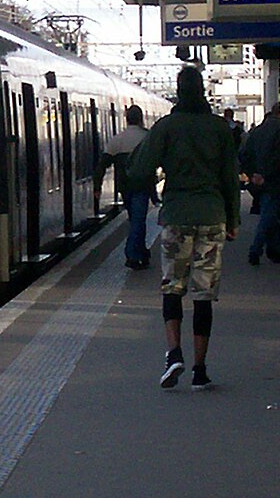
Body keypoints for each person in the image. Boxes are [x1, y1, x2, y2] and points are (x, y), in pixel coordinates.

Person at [128, 66, 240, 391]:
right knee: (204, 294)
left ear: (178, 90)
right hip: (212, 216)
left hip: (177, 216)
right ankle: (200, 369)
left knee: (172, 286)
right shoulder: (218, 128)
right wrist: (233, 221)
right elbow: (231, 179)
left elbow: (141, 168)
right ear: (203, 89)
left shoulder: (167, 127)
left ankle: (173, 353)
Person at [93, 105, 152, 269]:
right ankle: (132, 254)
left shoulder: (117, 140)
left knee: (136, 220)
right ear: (141, 118)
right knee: (138, 221)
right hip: (142, 186)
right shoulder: (147, 137)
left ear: (126, 119)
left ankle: (141, 252)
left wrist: (97, 187)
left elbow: (102, 165)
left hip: (124, 187)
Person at [239, 103, 280, 265]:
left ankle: (273, 250)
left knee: (270, 215)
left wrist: (252, 174)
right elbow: (277, 157)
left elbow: (244, 154)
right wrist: (265, 175)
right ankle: (255, 250)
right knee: (268, 217)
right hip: (274, 180)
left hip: (257, 182)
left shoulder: (257, 131)